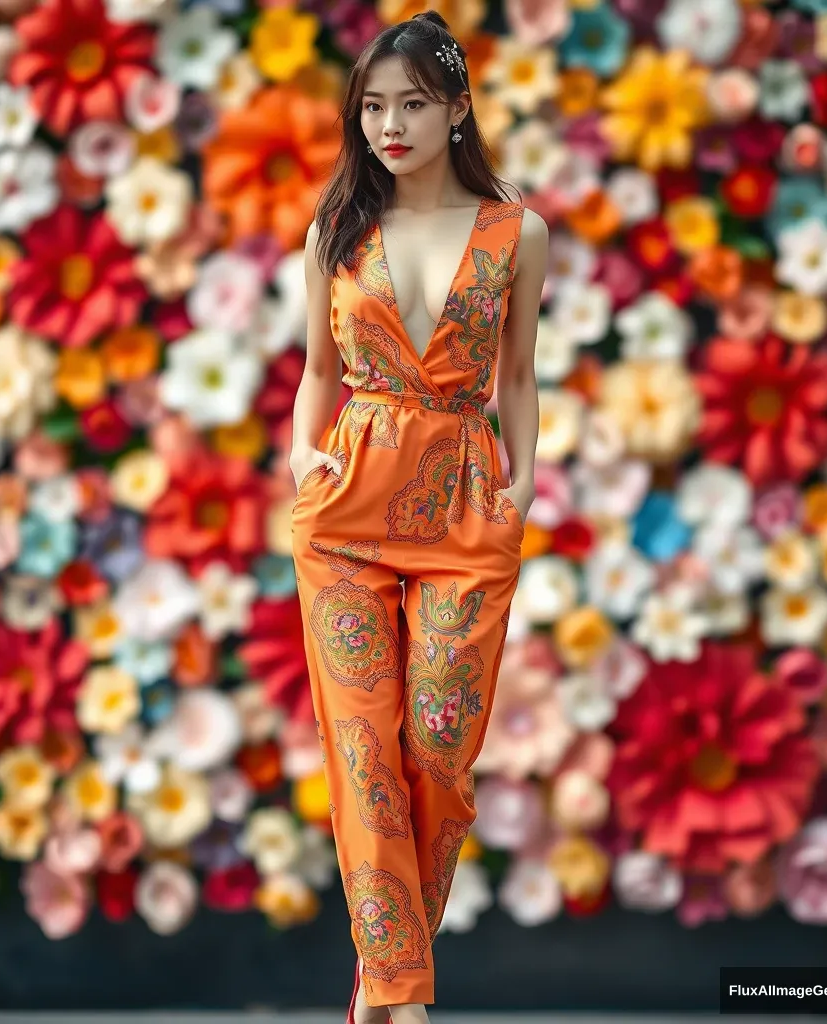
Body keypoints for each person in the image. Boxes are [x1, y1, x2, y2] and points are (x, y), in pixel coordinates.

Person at [288, 11, 548, 1024]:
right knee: (364, 754)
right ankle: (398, 998)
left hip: (464, 511)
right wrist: (305, 457)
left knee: (438, 746)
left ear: (456, 106)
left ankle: (381, 983)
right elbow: (317, 372)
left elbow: (517, 374)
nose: (388, 125)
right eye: (373, 107)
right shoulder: (337, 230)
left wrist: (521, 479)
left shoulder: (515, 233)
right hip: (345, 513)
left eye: (411, 104)